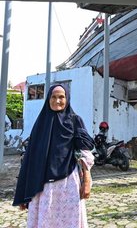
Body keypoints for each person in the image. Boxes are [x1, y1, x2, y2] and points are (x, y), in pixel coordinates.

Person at [13, 84, 95, 228]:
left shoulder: (75, 120)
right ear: (48, 99)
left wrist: (87, 180)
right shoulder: (40, 125)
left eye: (61, 97)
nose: (57, 101)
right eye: (54, 97)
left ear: (67, 98)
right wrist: (24, 192)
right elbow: (30, 158)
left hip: (68, 184)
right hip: (42, 186)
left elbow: (85, 152)